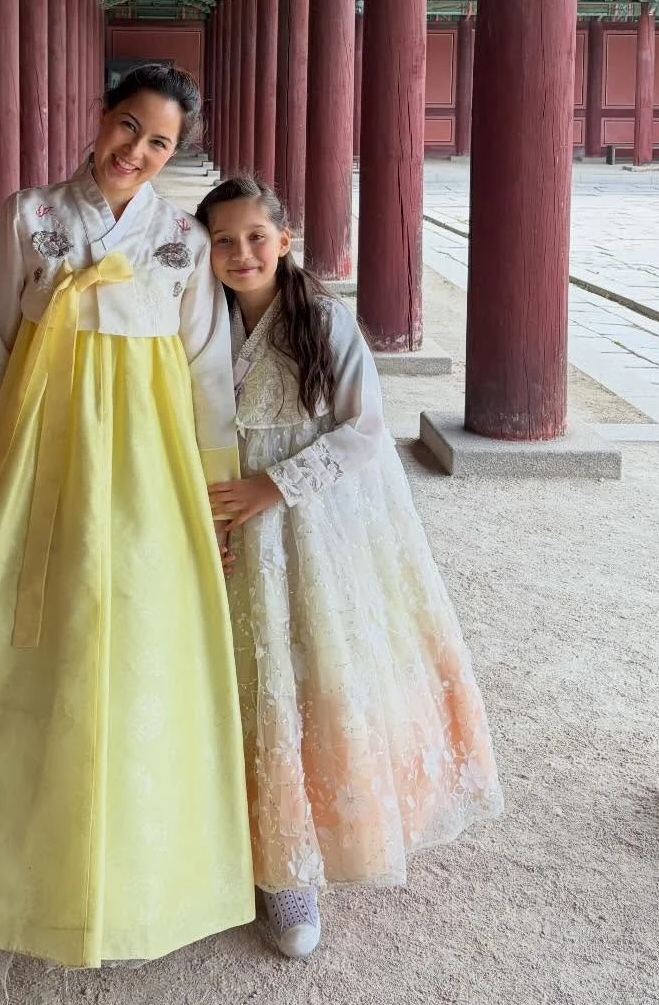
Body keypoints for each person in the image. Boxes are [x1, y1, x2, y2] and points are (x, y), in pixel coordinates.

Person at [0, 66, 254, 968]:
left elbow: (207, 375)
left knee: (135, 650)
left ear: (173, 156)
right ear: (99, 116)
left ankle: (131, 867)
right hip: (36, 453)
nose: (135, 153)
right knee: (17, 638)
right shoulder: (28, 218)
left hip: (146, 473)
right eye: (128, 126)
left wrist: (215, 495)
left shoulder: (181, 241)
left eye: (159, 144)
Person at [196, 175, 503, 962]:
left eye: (255, 237)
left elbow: (366, 431)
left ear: (285, 238)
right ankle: (221, 846)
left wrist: (275, 485)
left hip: (309, 523)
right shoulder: (197, 320)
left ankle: (292, 864)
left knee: (308, 672)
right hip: (218, 511)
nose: (240, 253)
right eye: (222, 240)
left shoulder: (323, 321)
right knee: (222, 677)